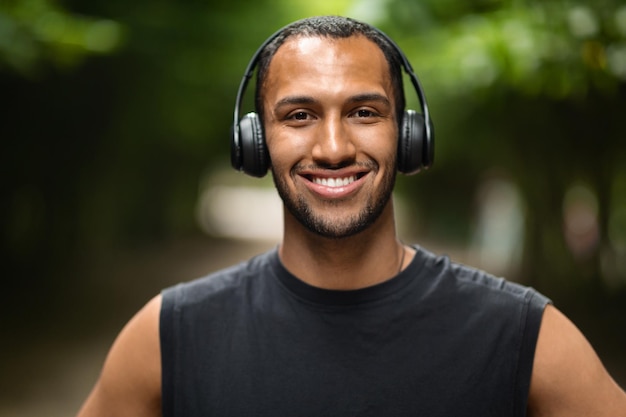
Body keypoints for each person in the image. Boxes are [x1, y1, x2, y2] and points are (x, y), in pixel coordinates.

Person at [77, 16, 626, 417]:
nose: (334, 146)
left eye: (364, 113)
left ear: (410, 137)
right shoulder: (168, 336)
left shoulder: (523, 336)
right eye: (299, 115)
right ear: (254, 142)